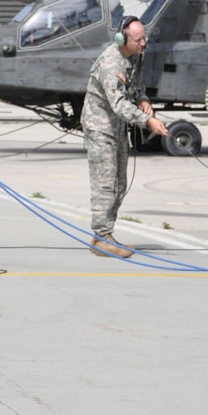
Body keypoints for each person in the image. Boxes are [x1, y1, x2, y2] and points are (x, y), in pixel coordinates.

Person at [81, 16, 168, 258]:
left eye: (144, 38)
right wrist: (148, 121)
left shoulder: (136, 56)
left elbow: (136, 85)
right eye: (139, 40)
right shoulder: (111, 62)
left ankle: (105, 234)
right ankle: (101, 237)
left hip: (117, 126)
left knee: (120, 184)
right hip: (100, 127)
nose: (144, 44)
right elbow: (118, 103)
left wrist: (143, 100)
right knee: (105, 184)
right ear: (123, 40)